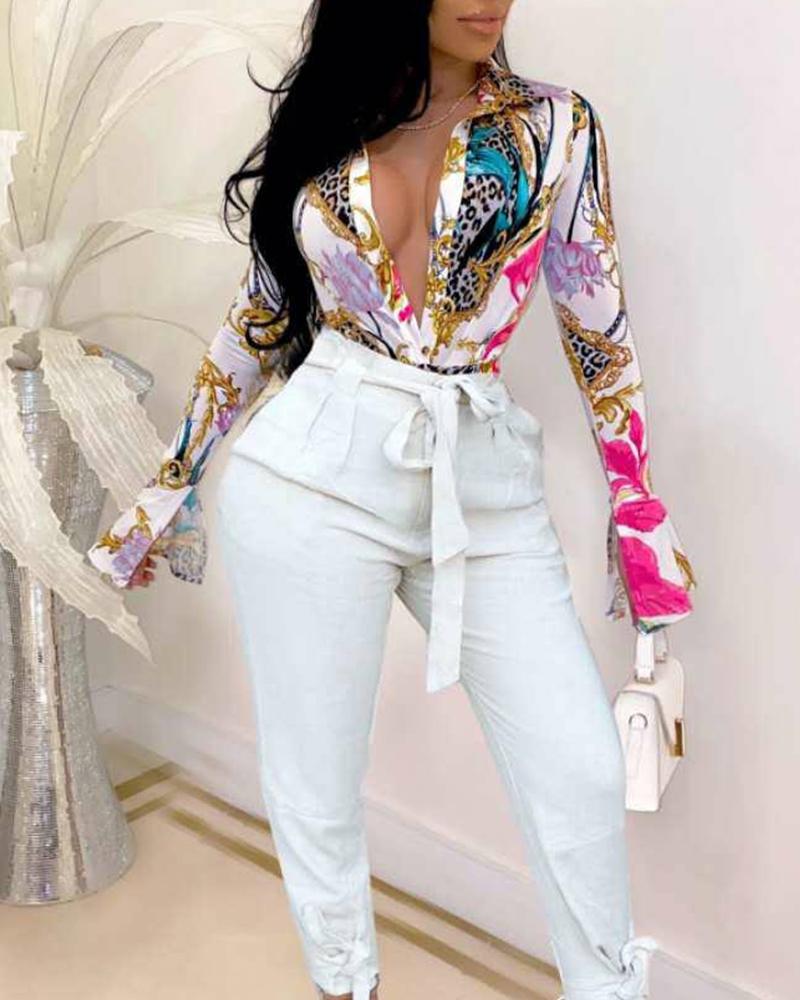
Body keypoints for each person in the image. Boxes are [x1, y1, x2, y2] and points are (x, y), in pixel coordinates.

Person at [88, 1, 696, 997]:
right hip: (312, 473)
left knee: (581, 768)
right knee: (316, 786)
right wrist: (169, 484)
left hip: (482, 480)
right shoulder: (327, 123)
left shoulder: (555, 126)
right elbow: (260, 315)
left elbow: (599, 329)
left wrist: (637, 506)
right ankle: (346, 984)